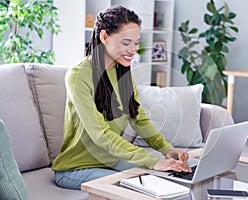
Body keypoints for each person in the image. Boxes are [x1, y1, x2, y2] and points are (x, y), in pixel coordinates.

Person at [52, 6, 191, 190]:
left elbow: (138, 117)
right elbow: (100, 134)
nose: (133, 50)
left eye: (136, 43)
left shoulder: (122, 72)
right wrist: (151, 160)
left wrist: (166, 149)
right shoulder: (78, 76)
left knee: (167, 178)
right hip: (75, 169)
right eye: (126, 43)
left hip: (111, 161)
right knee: (136, 187)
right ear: (104, 37)